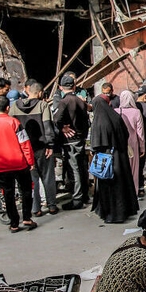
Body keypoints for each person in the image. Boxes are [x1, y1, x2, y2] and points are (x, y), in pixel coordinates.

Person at [0, 96, 36, 233]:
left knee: (8, 194)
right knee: (26, 190)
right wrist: (30, 161)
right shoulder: (14, 122)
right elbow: (25, 144)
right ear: (8, 108)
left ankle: (14, 223)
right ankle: (27, 218)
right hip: (19, 163)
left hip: (0, 165)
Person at [11, 82, 58, 216]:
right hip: (42, 147)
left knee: (32, 179)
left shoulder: (14, 107)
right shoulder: (43, 105)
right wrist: (50, 145)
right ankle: (52, 205)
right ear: (40, 92)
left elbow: (12, 128)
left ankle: (35, 208)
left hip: (24, 149)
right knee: (48, 176)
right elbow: (48, 126)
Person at [91, 95, 139, 223]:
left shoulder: (97, 121)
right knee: (122, 185)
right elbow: (125, 134)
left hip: (105, 160)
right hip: (120, 157)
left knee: (108, 187)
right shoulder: (116, 117)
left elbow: (95, 144)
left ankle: (110, 214)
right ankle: (123, 212)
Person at [53, 73, 90, 210]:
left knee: (74, 169)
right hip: (80, 138)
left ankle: (77, 199)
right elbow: (86, 121)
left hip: (70, 141)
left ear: (61, 87)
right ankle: (84, 195)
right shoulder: (80, 101)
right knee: (82, 168)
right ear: (74, 86)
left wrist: (63, 127)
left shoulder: (64, 102)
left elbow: (56, 119)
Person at [117, 91, 145, 195]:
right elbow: (140, 132)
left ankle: (123, 193)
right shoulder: (136, 112)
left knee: (122, 168)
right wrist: (142, 147)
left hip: (120, 143)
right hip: (133, 144)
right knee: (133, 169)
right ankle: (133, 193)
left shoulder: (116, 111)